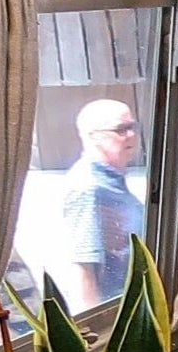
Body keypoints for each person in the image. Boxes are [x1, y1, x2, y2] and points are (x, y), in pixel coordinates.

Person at [57, 98, 146, 308]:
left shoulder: (112, 179)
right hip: (117, 309)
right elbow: (83, 268)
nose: (131, 135)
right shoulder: (88, 187)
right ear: (93, 136)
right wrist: (96, 323)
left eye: (132, 127)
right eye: (120, 129)